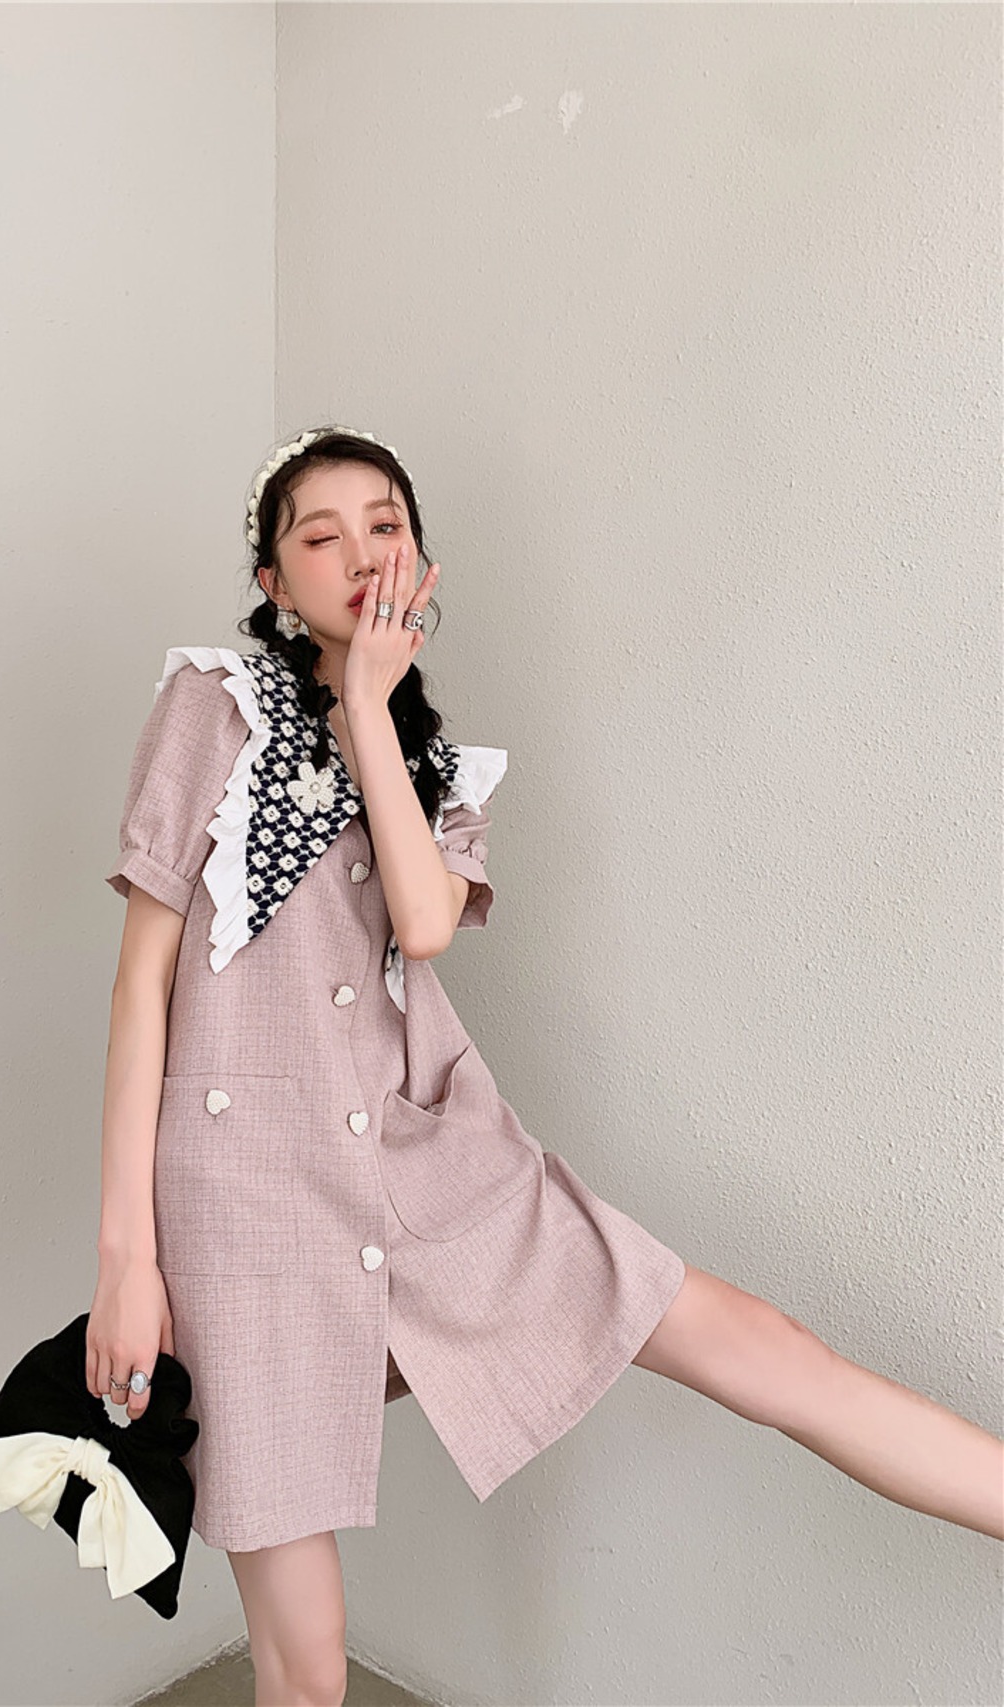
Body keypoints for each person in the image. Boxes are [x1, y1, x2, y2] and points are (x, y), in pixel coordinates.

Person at [87, 425, 1002, 1707]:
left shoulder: (442, 776)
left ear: (422, 560)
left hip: (433, 1167)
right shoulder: (210, 708)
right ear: (272, 584)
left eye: (384, 525)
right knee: (307, 1669)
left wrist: (366, 708)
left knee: (761, 1345)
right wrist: (126, 1262)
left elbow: (420, 922)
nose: (360, 553)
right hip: (249, 1204)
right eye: (320, 536)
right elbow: (142, 984)